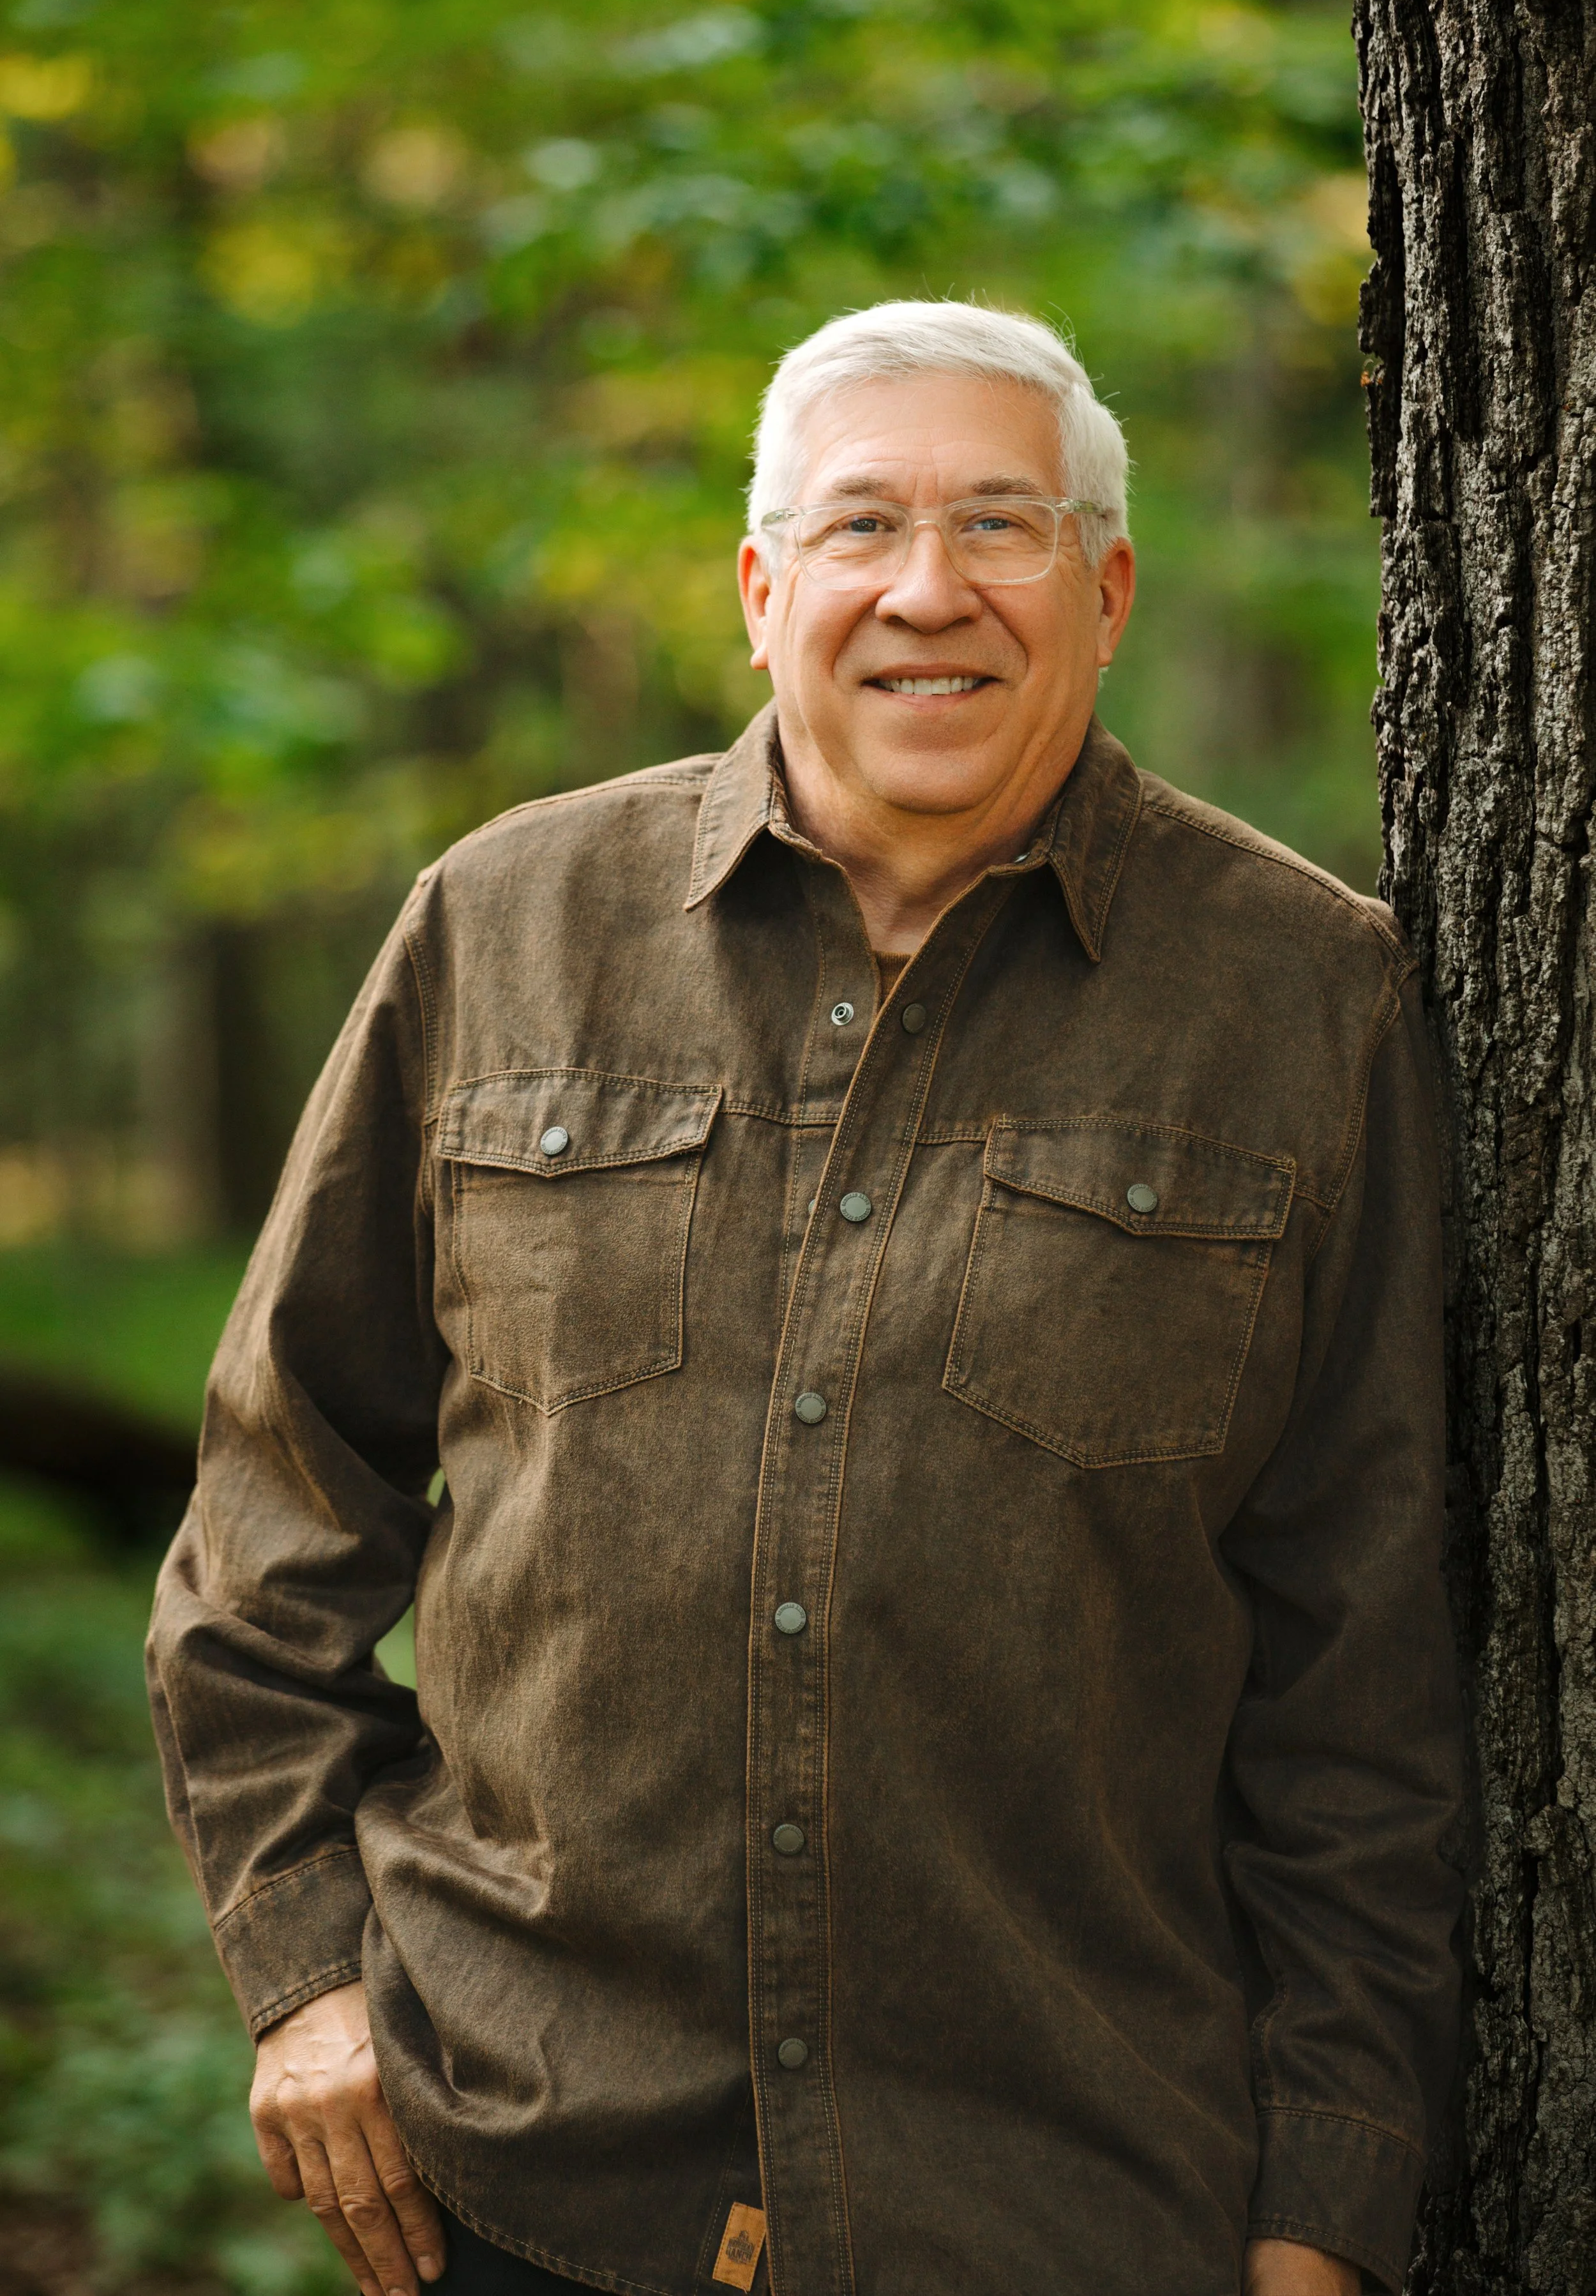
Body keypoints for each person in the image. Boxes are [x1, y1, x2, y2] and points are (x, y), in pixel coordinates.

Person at [147, 300, 1464, 2296]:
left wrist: (1323, 2215)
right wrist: (309, 1975)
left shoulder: (1306, 1001)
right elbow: (273, 1512)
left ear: (1103, 588)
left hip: (1066, 2206)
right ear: (763, 590)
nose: (926, 589)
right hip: (525, 2174)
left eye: (1001, 527)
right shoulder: (501, 926)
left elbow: (1362, 1681)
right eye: (860, 529)